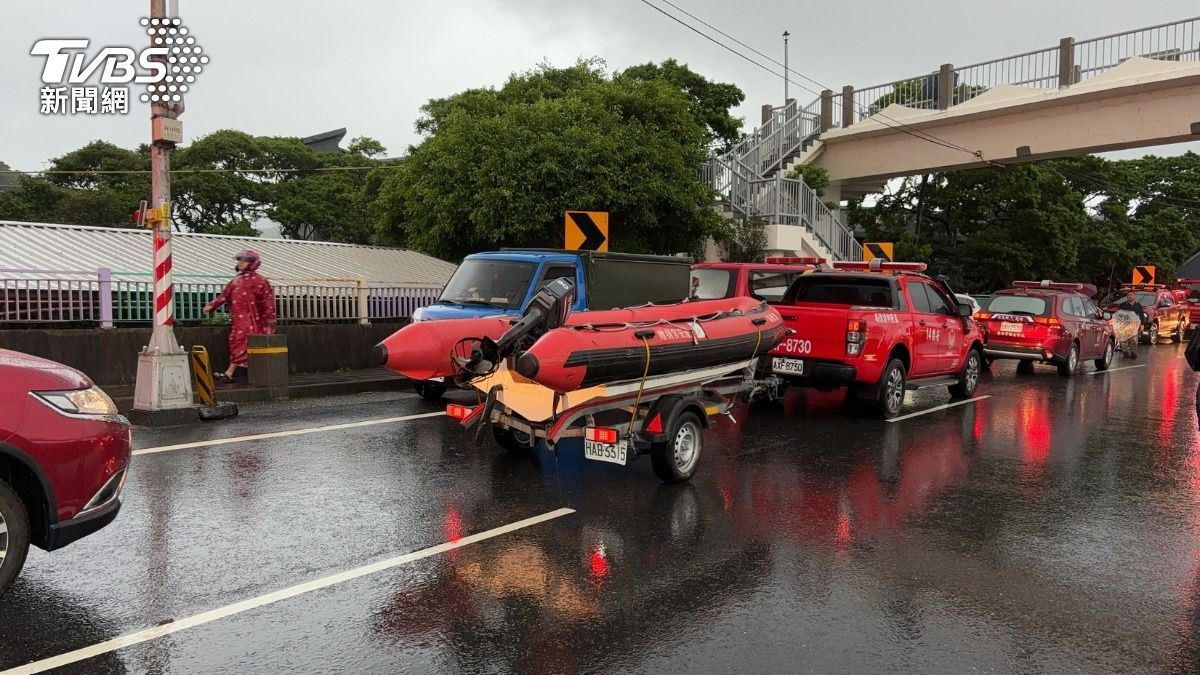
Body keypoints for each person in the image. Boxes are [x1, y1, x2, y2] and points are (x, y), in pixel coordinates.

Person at [202, 250, 276, 382]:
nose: (240, 263)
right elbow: (224, 296)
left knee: (243, 344)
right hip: (239, 320)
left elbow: (267, 301)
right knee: (238, 343)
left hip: (254, 320)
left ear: (252, 263)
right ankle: (234, 373)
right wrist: (211, 305)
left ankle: (230, 373)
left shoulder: (260, 281)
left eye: (244, 261)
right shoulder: (235, 281)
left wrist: (269, 317)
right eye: (239, 260)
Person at [1115, 290, 1147, 358]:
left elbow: (1141, 315)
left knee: (1134, 340)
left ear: (1134, 296)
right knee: (1124, 340)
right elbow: (1118, 315)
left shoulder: (1138, 305)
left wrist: (1142, 324)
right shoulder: (1122, 305)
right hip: (1124, 325)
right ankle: (1125, 352)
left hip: (1134, 325)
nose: (1130, 296)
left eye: (1131, 295)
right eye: (1128, 295)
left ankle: (1133, 352)